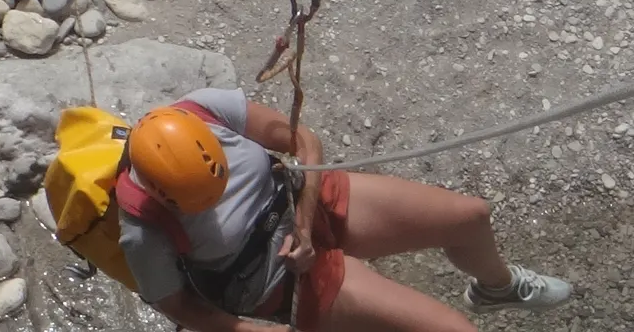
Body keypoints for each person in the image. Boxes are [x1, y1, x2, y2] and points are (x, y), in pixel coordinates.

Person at [117, 86, 572, 332]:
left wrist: (305, 222)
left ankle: (498, 287)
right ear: (161, 196)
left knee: (471, 217)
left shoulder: (205, 109)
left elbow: (304, 141)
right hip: (276, 276)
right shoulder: (141, 230)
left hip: (301, 201)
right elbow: (179, 306)